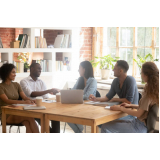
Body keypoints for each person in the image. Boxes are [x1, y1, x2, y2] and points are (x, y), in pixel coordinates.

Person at [101, 62, 159, 133]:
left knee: (104, 126)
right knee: (108, 124)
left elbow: (139, 114)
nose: (141, 75)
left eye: (141, 73)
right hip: (138, 124)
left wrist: (120, 108)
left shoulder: (148, 93)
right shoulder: (153, 90)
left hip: (138, 127)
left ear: (146, 75)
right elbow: (144, 109)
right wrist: (130, 105)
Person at [20, 63, 60, 133]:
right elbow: (31, 94)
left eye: (41, 69)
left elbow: (45, 97)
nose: (40, 70)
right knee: (42, 117)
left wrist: (53, 93)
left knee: (55, 116)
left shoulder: (41, 82)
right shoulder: (24, 81)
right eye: (38, 68)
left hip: (42, 107)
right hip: (31, 107)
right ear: (32, 69)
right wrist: (49, 90)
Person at [0, 63, 39, 133]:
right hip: (6, 114)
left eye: (15, 72)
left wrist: (32, 100)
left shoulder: (16, 85)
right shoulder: (1, 86)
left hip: (16, 111)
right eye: (13, 72)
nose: (15, 74)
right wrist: (24, 102)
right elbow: (7, 100)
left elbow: (24, 97)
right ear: (6, 73)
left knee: (27, 123)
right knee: (29, 117)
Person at [67, 61, 97, 133]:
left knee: (70, 113)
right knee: (65, 114)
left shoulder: (93, 81)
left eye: (79, 68)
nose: (78, 70)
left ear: (84, 69)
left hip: (88, 106)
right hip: (78, 104)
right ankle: (79, 131)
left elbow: (87, 96)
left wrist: (75, 96)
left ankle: (79, 131)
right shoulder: (80, 79)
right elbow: (73, 91)